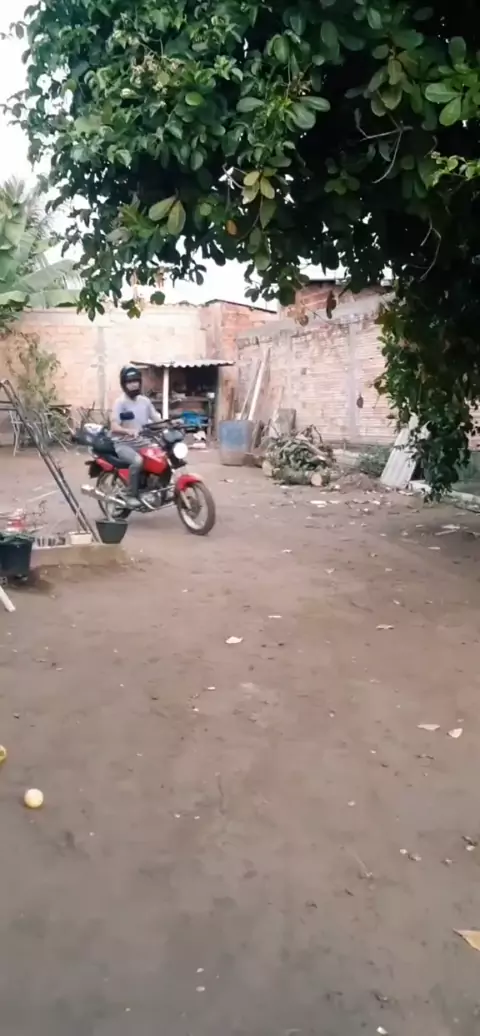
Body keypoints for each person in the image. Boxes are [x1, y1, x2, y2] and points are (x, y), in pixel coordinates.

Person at [111, 365, 162, 507]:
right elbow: (114, 426)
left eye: (136, 381)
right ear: (124, 384)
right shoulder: (120, 403)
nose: (133, 384)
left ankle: (154, 488)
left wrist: (172, 423)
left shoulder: (145, 401)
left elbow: (157, 418)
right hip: (124, 443)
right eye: (129, 382)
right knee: (138, 462)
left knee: (160, 457)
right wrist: (127, 431)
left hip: (142, 441)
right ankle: (130, 494)